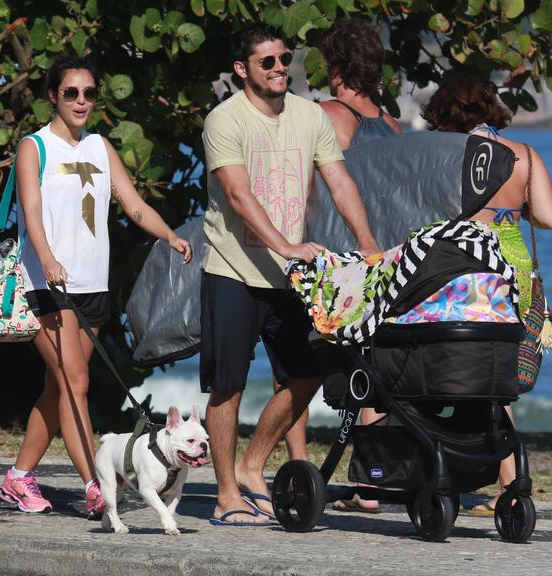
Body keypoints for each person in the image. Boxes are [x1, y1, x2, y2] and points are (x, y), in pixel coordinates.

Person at [201, 23, 380, 525]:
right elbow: (237, 194)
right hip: (232, 268)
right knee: (228, 385)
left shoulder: (308, 116)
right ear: (242, 70)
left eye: (284, 59)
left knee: (309, 372)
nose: (281, 68)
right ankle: (226, 496)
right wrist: (285, 245)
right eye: (268, 62)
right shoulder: (224, 120)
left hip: (291, 276)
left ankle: (253, 465)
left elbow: (339, 180)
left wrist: (368, 246)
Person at [0, 55, 192, 517]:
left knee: (60, 387)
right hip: (46, 284)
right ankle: (96, 485)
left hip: (92, 286)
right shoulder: (35, 147)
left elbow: (132, 202)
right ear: (53, 97)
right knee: (77, 381)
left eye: (88, 93)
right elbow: (30, 209)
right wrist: (46, 258)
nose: (81, 101)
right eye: (71, 93)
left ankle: (18, 478)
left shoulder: (100, 147)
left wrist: (168, 234)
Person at [422, 70, 552, 512]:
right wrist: (511, 209)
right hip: (510, 267)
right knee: (499, 376)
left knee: (450, 367)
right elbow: (548, 217)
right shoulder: (524, 155)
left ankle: (444, 465)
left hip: (458, 269)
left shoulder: (442, 155)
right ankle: (512, 484)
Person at [317, 18, 402, 513]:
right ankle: (371, 479)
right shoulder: (390, 123)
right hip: (385, 251)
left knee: (307, 363)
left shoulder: (330, 115)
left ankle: (353, 479)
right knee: (372, 365)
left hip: (342, 251)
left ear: (338, 68)